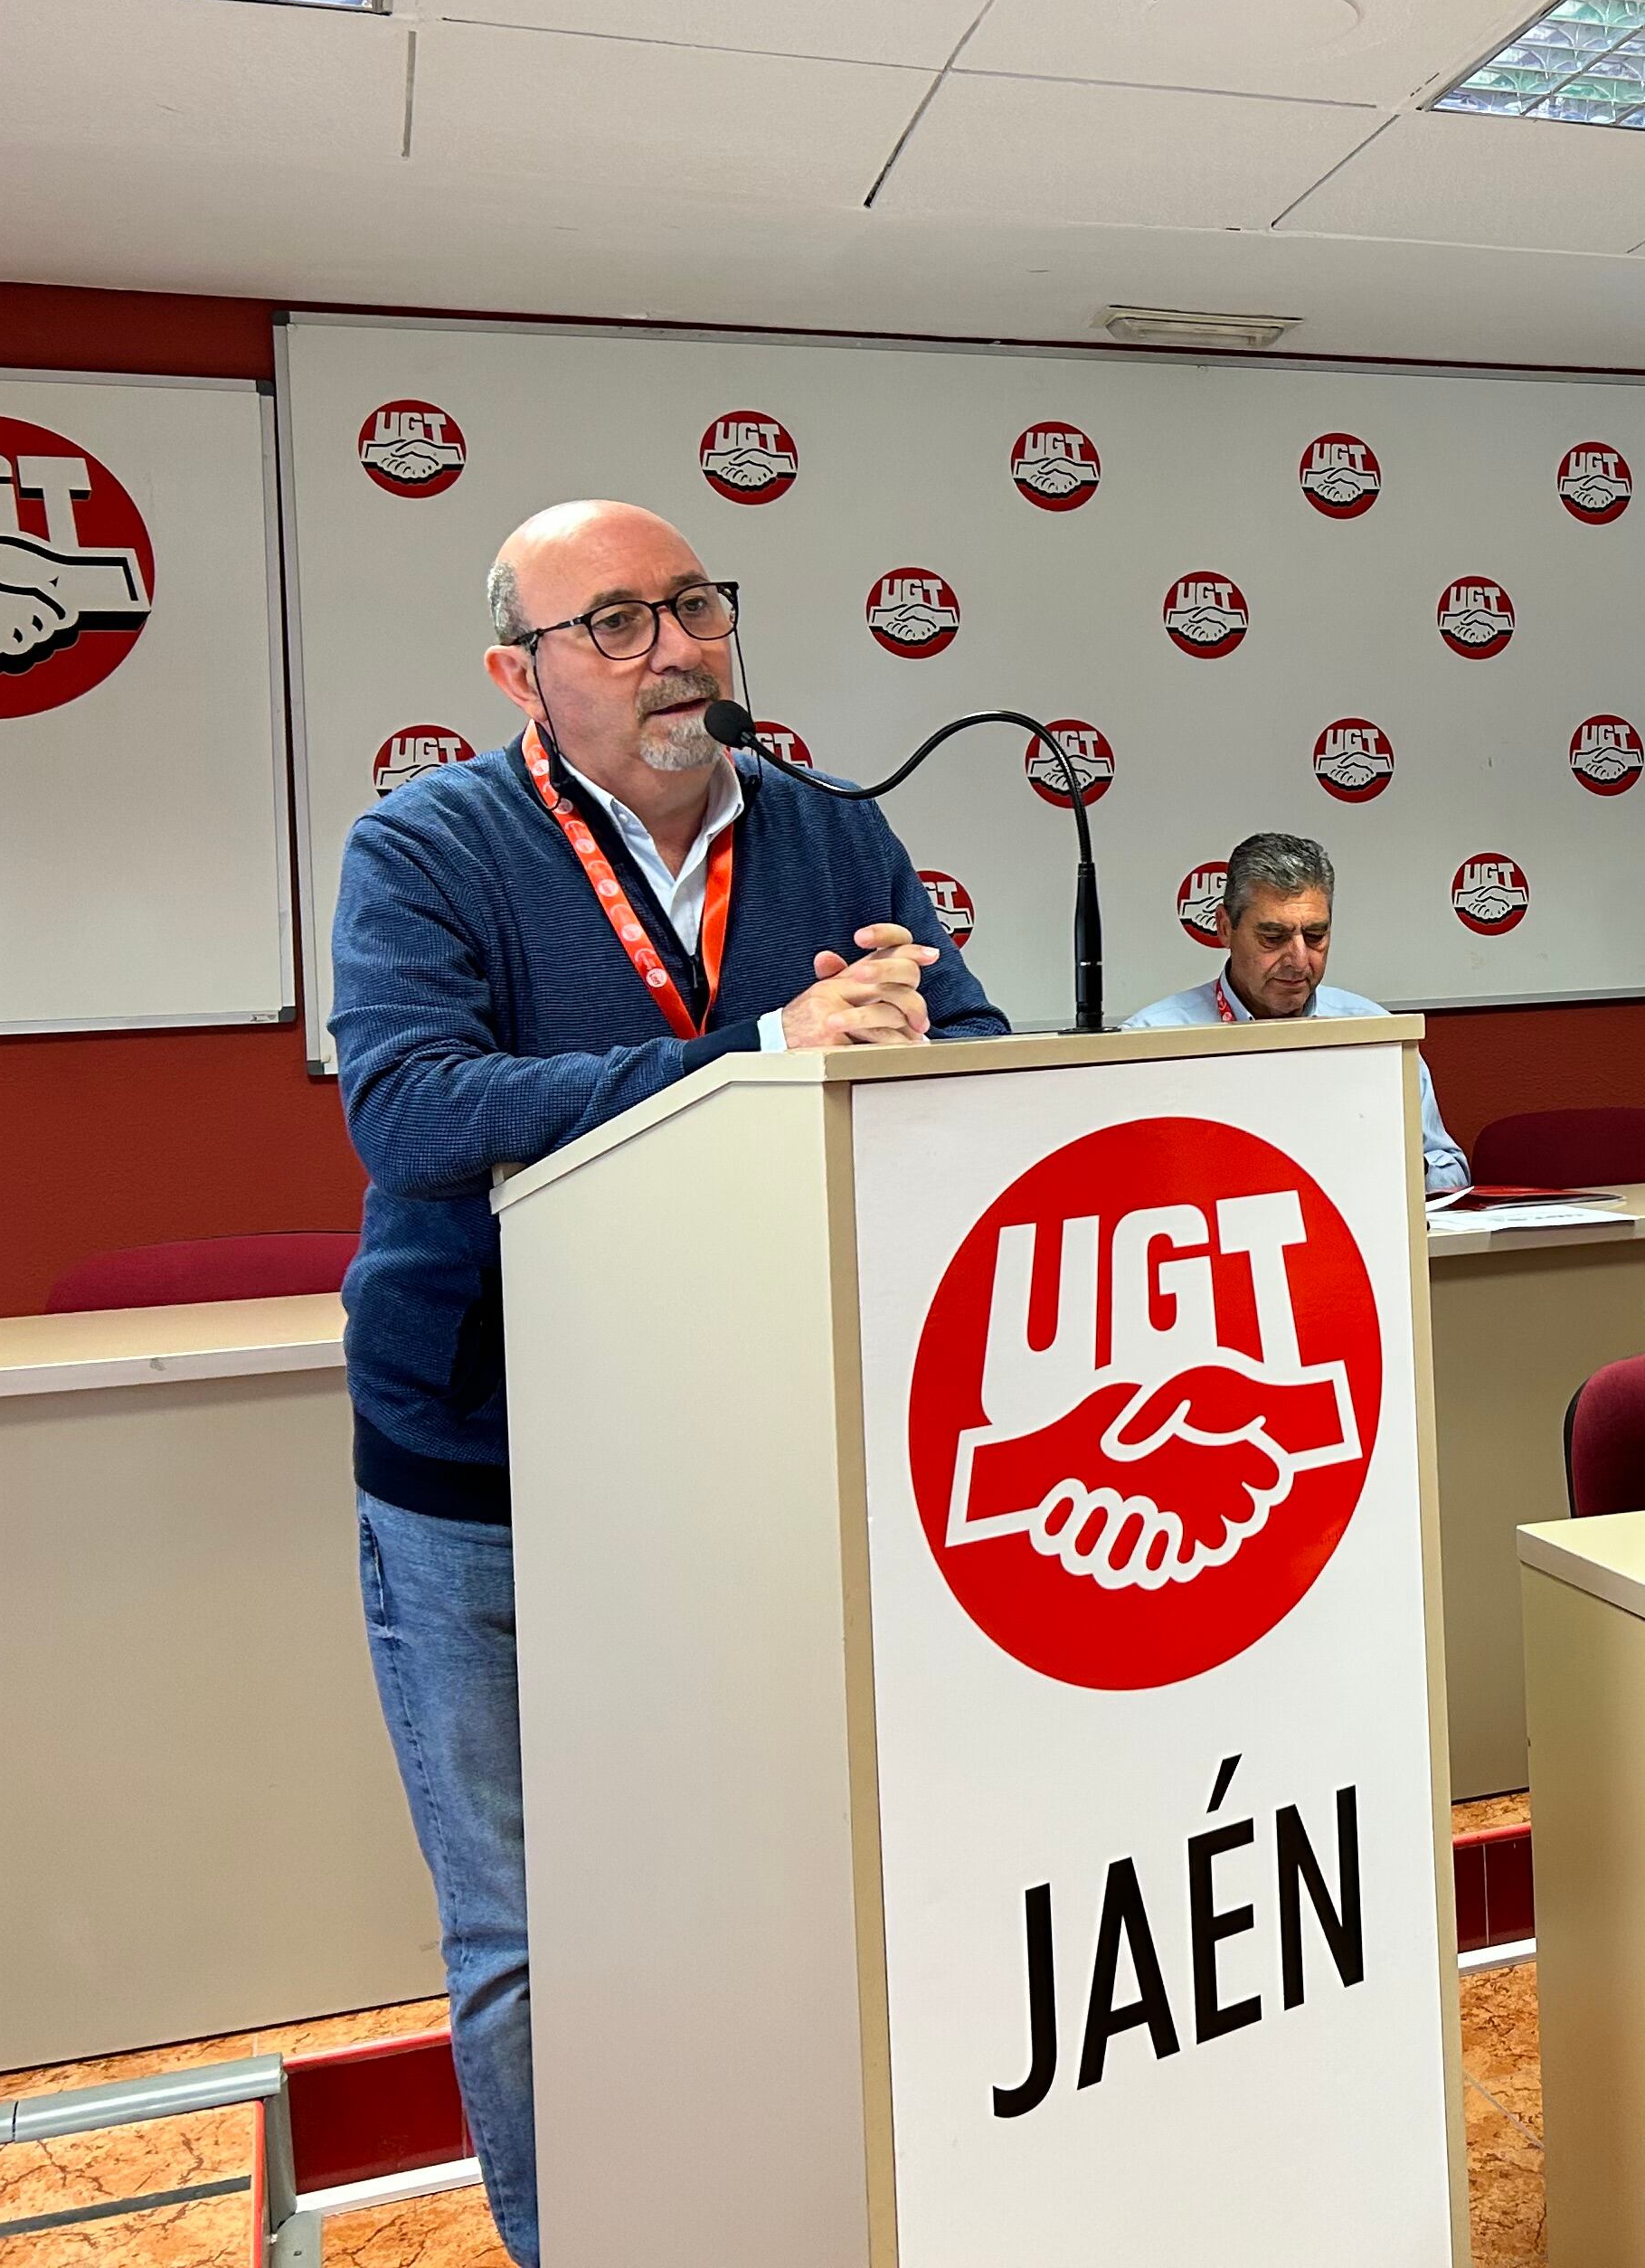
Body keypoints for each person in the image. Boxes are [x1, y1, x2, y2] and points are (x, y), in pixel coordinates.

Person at [329, 500, 1005, 2268]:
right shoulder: (425, 845)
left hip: (757, 1435)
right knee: (532, 1928)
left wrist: (930, 1039)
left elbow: (981, 1042)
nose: (675, 649)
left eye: (693, 607)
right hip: (487, 1459)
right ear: (519, 675)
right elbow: (412, 1110)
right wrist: (757, 1058)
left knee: (771, 1874)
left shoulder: (835, 833)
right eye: (614, 623)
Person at [1123, 829, 1469, 1195]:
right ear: (1225, 928)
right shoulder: (1150, 1041)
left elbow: (1451, 1170)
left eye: (1316, 936)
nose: (1299, 959)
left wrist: (1392, 1165)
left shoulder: (1376, 1035)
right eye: (1273, 938)